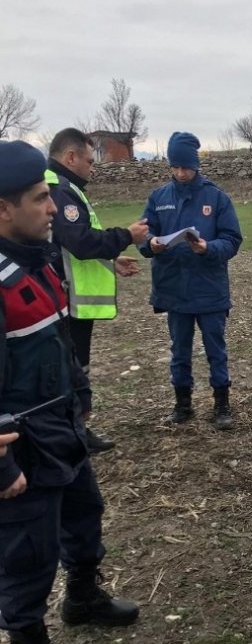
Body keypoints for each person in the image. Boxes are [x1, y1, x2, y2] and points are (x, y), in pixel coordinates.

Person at [0, 141, 139, 644]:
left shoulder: (42, 262)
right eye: (40, 199)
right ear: (3, 209)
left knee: (85, 512)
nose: (54, 207)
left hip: (62, 424)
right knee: (28, 547)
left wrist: (80, 395)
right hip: (22, 439)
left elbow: (59, 341)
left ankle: (82, 597)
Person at [46, 128, 149, 454]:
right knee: (70, 367)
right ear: (71, 157)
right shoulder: (61, 191)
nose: (93, 167)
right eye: (90, 161)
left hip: (69, 296)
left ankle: (76, 429)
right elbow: (79, 242)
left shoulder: (65, 187)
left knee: (75, 365)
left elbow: (70, 244)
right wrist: (125, 236)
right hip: (65, 299)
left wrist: (111, 259)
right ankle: (71, 433)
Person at [139, 132, 242, 430]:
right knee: (179, 350)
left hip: (209, 289)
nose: (181, 173)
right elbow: (144, 234)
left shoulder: (217, 198)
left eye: (186, 167)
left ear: (196, 165)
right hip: (174, 289)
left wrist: (209, 248)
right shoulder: (158, 198)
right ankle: (182, 404)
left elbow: (232, 240)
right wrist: (151, 243)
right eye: (176, 167)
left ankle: (222, 403)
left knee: (215, 349)